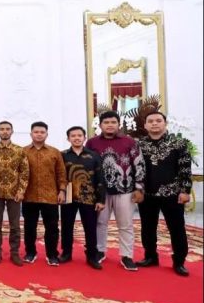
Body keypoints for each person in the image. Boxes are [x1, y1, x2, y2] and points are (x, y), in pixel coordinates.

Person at [86, 111, 145, 271]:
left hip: (125, 190)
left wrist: (139, 188)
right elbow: (87, 165)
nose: (110, 125)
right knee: (100, 223)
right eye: (106, 122)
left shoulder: (130, 141)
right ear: (100, 125)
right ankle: (99, 251)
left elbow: (139, 165)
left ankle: (127, 255)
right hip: (101, 192)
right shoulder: (92, 143)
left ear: (119, 124)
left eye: (113, 122)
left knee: (125, 224)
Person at [137, 111, 192, 276]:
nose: (154, 124)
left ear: (165, 123)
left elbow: (185, 168)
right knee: (147, 228)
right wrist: (137, 189)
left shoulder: (178, 143)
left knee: (176, 229)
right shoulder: (139, 145)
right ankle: (150, 256)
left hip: (173, 194)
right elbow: (135, 169)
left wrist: (185, 190)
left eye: (158, 120)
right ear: (145, 125)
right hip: (147, 194)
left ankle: (179, 262)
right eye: (151, 121)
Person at [60, 126, 105, 270]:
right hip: (68, 193)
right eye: (73, 136)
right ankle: (66, 253)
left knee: (90, 227)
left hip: (89, 195)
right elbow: (60, 177)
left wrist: (101, 199)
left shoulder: (94, 155)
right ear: (68, 138)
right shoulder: (63, 155)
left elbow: (100, 178)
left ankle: (92, 256)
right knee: (67, 226)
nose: (76, 138)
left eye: (79, 135)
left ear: (84, 137)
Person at [23, 121, 67, 266]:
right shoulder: (23, 152)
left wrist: (62, 191)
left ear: (47, 134)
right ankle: (30, 252)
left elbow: (61, 173)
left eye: (42, 132)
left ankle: (52, 254)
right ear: (31, 134)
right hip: (29, 196)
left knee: (52, 227)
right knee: (29, 227)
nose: (39, 134)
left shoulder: (55, 152)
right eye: (36, 132)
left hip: (50, 196)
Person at [0, 121, 29, 266]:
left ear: (12, 131)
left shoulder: (20, 150)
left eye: (7, 129)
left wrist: (21, 191)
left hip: (14, 193)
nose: (5, 131)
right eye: (2, 129)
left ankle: (15, 253)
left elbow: (24, 172)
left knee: (15, 225)